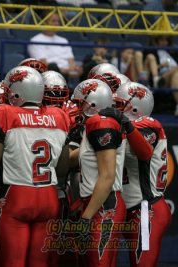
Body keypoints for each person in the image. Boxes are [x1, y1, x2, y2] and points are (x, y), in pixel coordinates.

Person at [0, 66, 70, 267]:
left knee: (12, 262)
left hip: (15, 197)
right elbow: (62, 168)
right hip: (49, 197)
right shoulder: (60, 116)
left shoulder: (2, 113)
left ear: (17, 92)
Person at [101, 82, 171, 267]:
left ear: (135, 107)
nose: (115, 108)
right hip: (126, 207)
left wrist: (124, 123)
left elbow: (144, 151)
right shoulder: (124, 125)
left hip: (146, 208)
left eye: (120, 104)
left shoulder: (149, 126)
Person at [71, 79, 127, 267]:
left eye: (80, 104)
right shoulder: (95, 124)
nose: (76, 108)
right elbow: (78, 157)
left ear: (92, 105)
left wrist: (86, 218)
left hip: (103, 205)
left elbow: (107, 176)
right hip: (97, 202)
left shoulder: (100, 124)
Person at [27, 13, 81, 77]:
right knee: (53, 67)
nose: (57, 24)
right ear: (44, 22)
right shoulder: (35, 41)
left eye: (58, 21)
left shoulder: (64, 40)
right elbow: (43, 64)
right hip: (49, 75)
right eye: (53, 21)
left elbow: (71, 61)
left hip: (67, 73)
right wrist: (66, 71)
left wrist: (73, 69)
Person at [143, 35, 178, 115]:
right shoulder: (152, 52)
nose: (164, 42)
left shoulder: (173, 52)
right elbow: (152, 67)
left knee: (176, 74)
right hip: (160, 77)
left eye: (166, 40)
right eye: (162, 40)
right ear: (157, 41)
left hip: (172, 78)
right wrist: (162, 65)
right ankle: (157, 80)